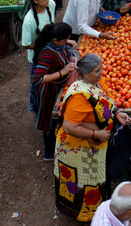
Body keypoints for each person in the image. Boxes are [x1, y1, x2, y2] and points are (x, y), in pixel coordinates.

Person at [54, 53, 131, 221]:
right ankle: (84, 215)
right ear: (85, 73)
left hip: (96, 145)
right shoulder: (79, 96)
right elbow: (69, 126)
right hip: (79, 148)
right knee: (81, 182)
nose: (101, 72)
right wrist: (96, 133)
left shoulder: (96, 82)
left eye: (101, 68)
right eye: (97, 71)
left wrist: (117, 113)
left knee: (96, 178)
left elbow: (106, 99)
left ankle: (97, 208)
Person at [32, 22, 77, 160]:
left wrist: (67, 43)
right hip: (48, 91)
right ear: (55, 40)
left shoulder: (56, 43)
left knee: (55, 118)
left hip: (57, 87)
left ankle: (56, 142)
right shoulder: (48, 54)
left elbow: (63, 44)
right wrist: (62, 72)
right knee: (49, 121)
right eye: (63, 40)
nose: (65, 42)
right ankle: (49, 153)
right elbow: (38, 78)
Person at [22, 0, 58, 106]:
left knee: (52, 82)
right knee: (38, 85)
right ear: (35, 0)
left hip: (51, 52)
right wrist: (43, 46)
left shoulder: (51, 5)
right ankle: (38, 109)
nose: (48, 0)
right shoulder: (29, 21)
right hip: (37, 58)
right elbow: (26, 45)